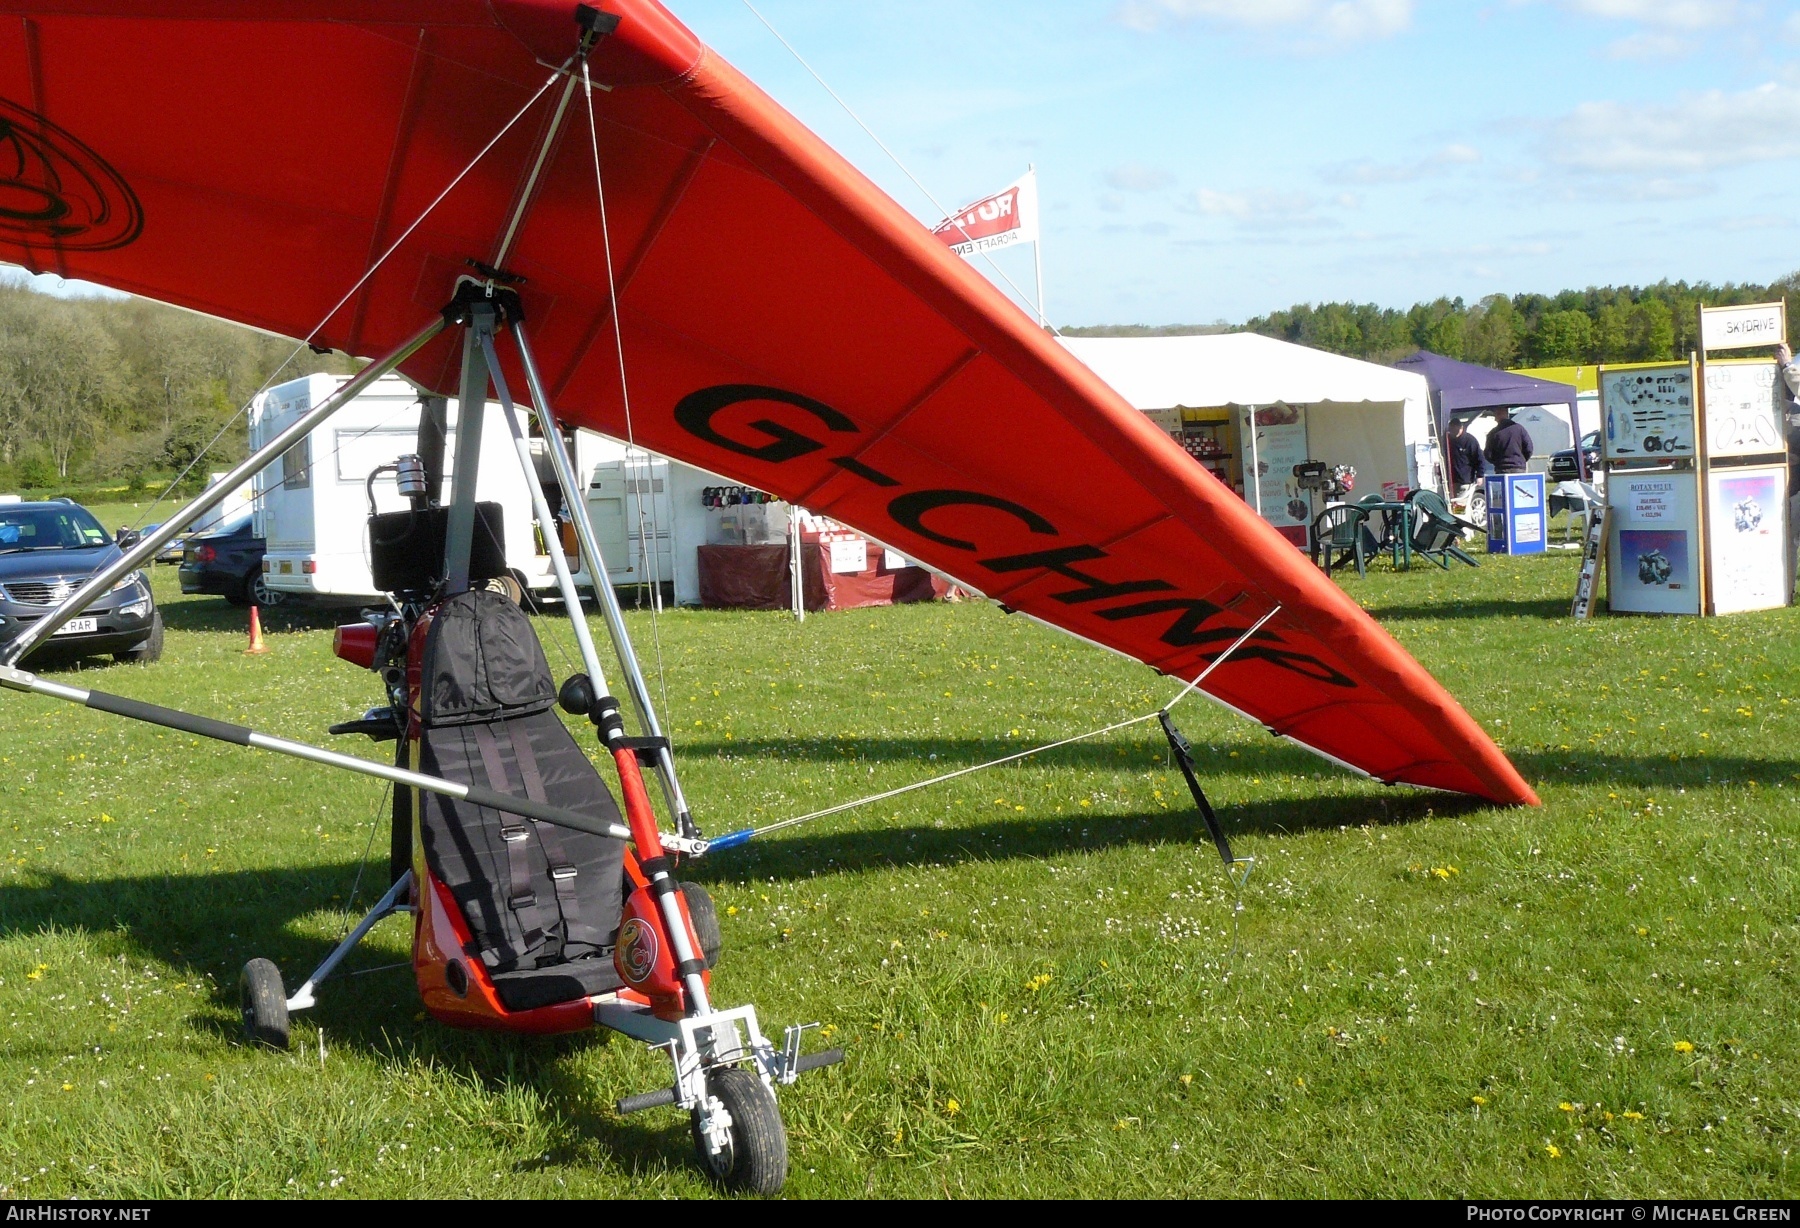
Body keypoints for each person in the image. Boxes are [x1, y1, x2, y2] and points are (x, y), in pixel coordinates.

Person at [1778, 342, 1799, 599]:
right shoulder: (1790, 410)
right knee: (1788, 539)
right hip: (1792, 483)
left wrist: (1786, 365)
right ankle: (1786, 591)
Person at [1483, 406, 1534, 474]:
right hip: (1519, 468)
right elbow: (1529, 448)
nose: (1495, 419)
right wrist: (1521, 460)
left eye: (1495, 415)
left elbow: (1488, 454)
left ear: (1499, 415)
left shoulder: (1493, 433)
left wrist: (1498, 462)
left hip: (1501, 469)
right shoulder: (1520, 429)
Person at [1446, 417, 1485, 491]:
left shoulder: (1470, 440)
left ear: (1461, 428)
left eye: (1455, 430)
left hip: (1465, 480)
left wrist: (1480, 475)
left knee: (1461, 502)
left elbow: (1479, 458)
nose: (1453, 432)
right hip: (1451, 480)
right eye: (1452, 430)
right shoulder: (1449, 440)